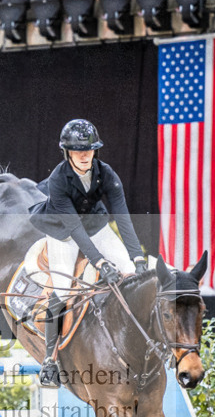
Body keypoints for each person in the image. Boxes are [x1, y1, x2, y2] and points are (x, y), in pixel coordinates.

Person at [28, 119, 148, 387]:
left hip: (95, 225)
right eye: (77, 150)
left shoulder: (107, 174)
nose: (84, 155)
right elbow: (74, 229)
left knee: (132, 271)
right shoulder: (58, 180)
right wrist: (100, 262)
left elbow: (124, 218)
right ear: (67, 152)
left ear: (96, 150)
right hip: (64, 232)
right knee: (62, 290)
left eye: (89, 149)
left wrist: (137, 258)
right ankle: (50, 360)